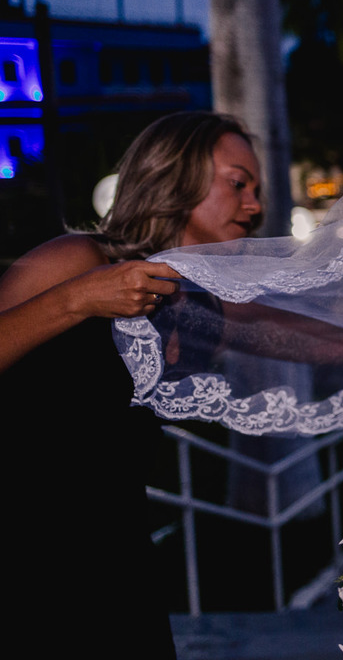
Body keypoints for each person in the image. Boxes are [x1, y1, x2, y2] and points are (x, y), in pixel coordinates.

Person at [0, 112, 262, 656]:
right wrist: (78, 299)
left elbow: (314, 340)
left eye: (255, 190)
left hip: (117, 554)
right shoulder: (77, 259)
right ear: (177, 181)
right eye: (238, 184)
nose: (255, 206)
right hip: (22, 550)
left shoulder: (199, 304)